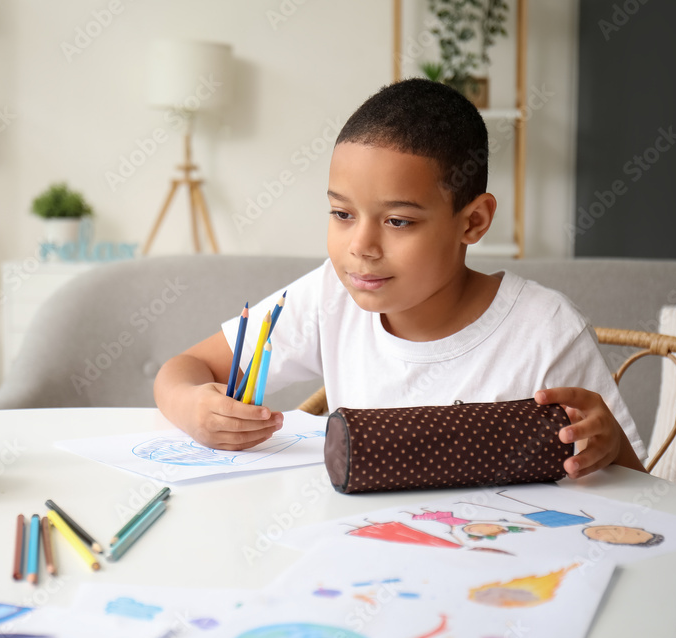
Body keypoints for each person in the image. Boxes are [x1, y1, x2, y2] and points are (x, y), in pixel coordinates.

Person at [153, 78, 647, 479]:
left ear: (472, 222)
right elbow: (187, 366)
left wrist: (612, 446)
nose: (360, 247)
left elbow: (634, 487)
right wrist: (194, 406)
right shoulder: (330, 294)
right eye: (342, 214)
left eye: (398, 221)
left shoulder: (545, 329)